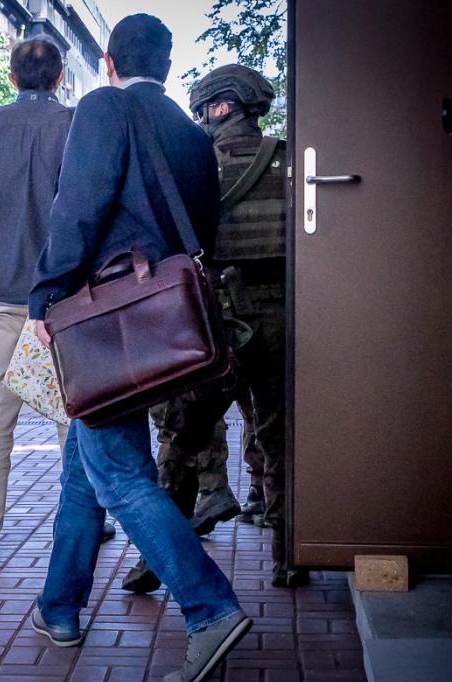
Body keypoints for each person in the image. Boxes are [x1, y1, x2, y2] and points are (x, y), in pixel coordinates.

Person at [28, 15, 250, 682]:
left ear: (108, 60)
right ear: (167, 64)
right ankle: (59, 606)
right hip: (164, 327)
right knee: (85, 463)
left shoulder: (104, 106)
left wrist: (46, 295)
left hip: (108, 327)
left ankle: (210, 608)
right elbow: (201, 227)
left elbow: (79, 207)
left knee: (119, 473)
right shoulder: (190, 130)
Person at [124, 63, 297, 590]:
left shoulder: (194, 163)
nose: (201, 119)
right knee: (279, 437)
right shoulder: (290, 160)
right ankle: (288, 555)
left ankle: (158, 557)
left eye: (204, 110)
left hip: (214, 319)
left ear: (221, 107)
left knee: (182, 435)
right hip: (279, 314)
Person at [0, 39, 113, 561]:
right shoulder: (77, 125)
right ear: (60, 77)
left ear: (11, 77)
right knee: (72, 411)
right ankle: (85, 521)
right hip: (63, 295)